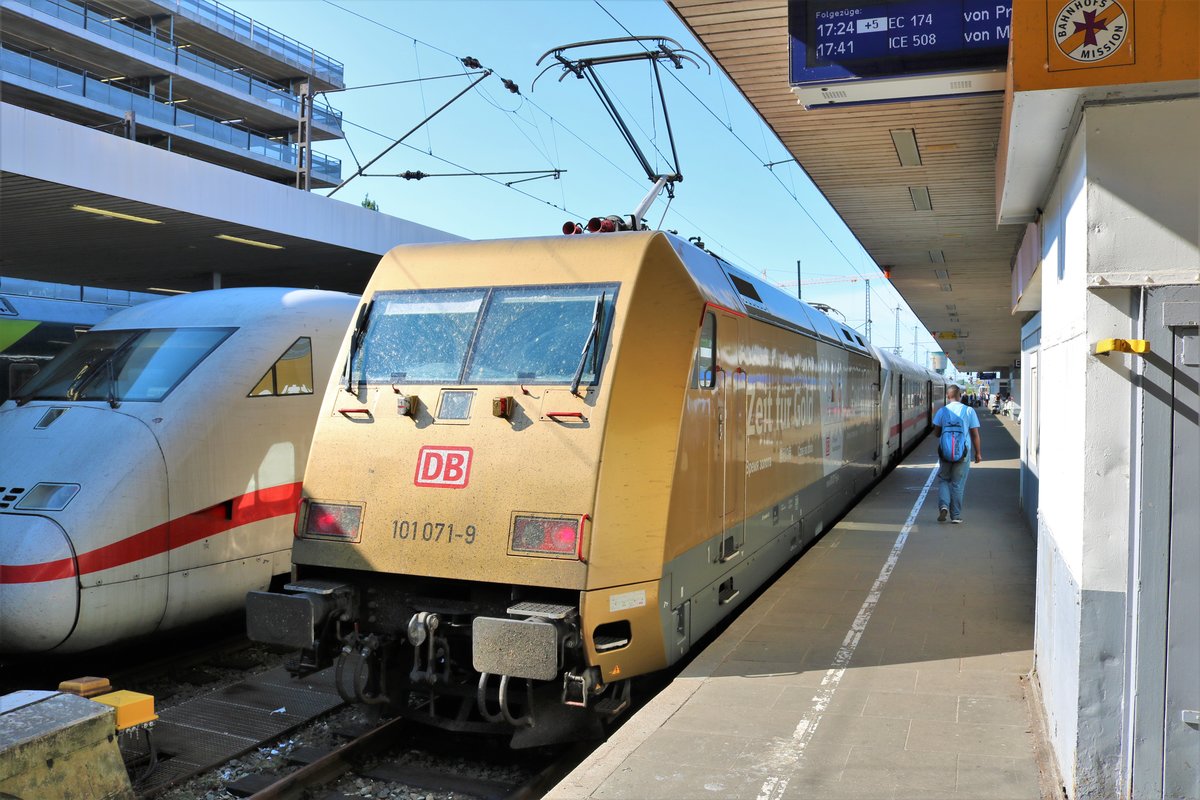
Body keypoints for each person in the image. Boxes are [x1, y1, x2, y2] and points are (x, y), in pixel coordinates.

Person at [933, 385, 982, 524]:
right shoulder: (969, 411)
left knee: (943, 479)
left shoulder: (942, 411)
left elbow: (936, 434)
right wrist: (978, 453)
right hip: (963, 453)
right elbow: (975, 434)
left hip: (945, 453)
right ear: (960, 396)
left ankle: (943, 506)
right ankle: (955, 516)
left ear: (948, 397)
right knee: (957, 484)